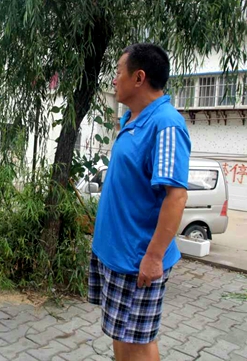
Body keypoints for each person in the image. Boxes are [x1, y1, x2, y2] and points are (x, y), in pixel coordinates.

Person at [89, 43, 191, 360]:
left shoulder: (166, 125)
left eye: (119, 72)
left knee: (139, 344)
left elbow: (176, 195)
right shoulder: (134, 118)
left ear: (139, 78)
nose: (114, 79)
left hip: (137, 260)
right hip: (115, 254)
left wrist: (154, 257)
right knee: (123, 335)